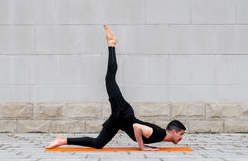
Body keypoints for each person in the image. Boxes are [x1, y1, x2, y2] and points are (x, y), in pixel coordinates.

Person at [45, 24, 186, 151]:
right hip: (123, 112)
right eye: (181, 134)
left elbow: (139, 129)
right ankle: (111, 45)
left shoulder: (159, 137)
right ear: (173, 132)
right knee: (110, 79)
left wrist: (145, 144)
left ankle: (62, 140)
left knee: (98, 143)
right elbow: (137, 127)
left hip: (120, 120)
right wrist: (142, 147)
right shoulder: (159, 134)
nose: (181, 138)